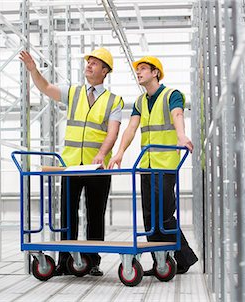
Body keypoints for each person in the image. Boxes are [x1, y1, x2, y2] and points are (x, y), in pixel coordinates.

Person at [19, 48, 124, 276]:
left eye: (95, 63)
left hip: (98, 168)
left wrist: (101, 153)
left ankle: (92, 261)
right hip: (71, 165)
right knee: (68, 216)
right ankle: (64, 262)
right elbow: (46, 88)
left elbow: (112, 133)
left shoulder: (114, 101)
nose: (89, 65)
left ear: (105, 71)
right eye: (88, 62)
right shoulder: (74, 93)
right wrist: (33, 70)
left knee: (95, 214)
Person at [107, 56, 198, 275]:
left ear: (155, 73)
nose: (139, 73)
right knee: (149, 217)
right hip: (146, 166)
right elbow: (131, 129)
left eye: (144, 69)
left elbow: (177, 114)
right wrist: (119, 152)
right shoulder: (140, 101)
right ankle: (161, 262)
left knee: (164, 215)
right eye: (138, 70)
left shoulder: (171, 95)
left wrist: (182, 135)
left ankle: (184, 258)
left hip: (165, 165)